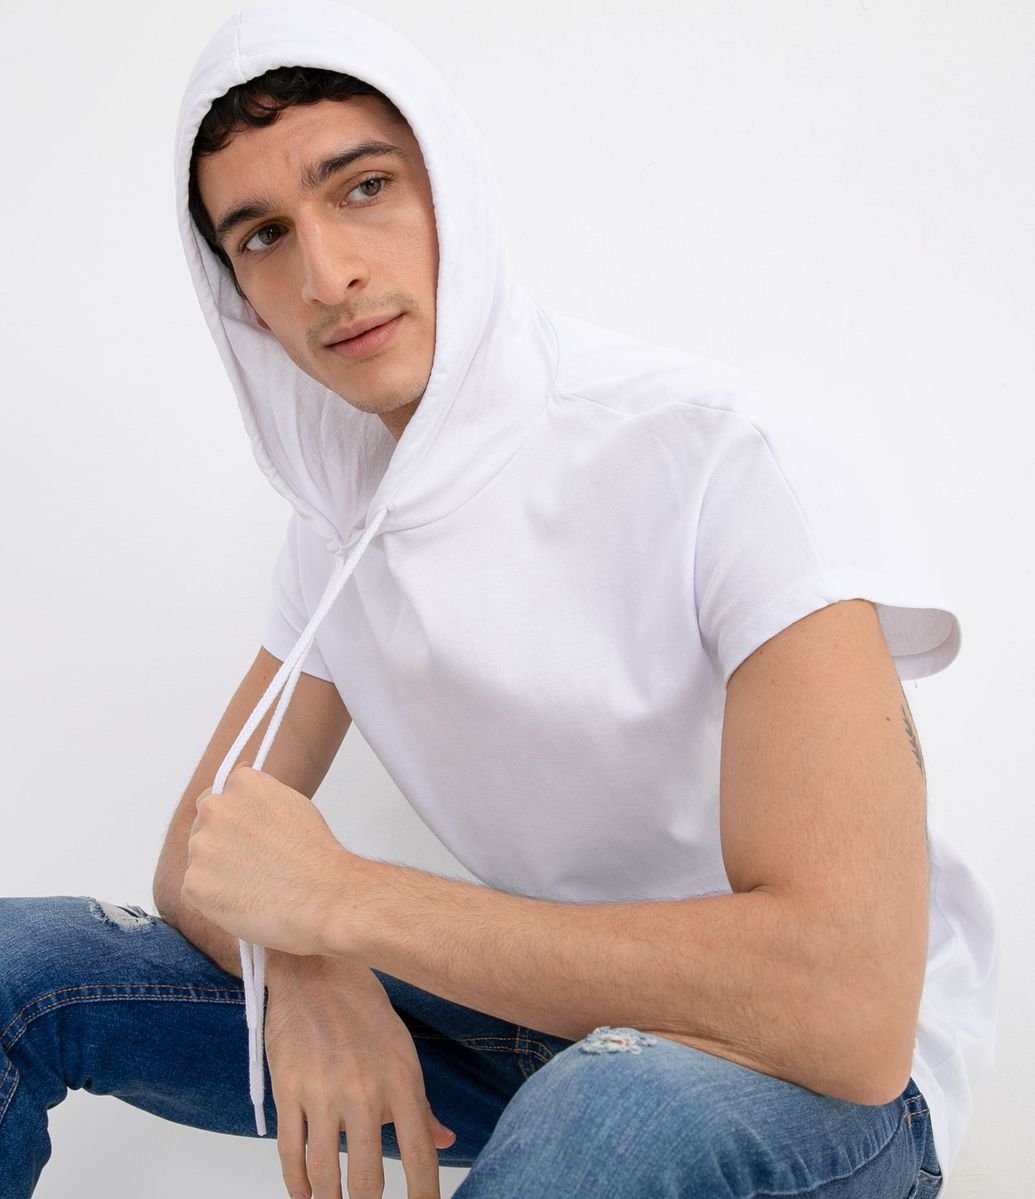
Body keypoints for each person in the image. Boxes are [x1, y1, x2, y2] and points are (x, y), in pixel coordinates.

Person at [0, 2, 999, 1197]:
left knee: (609, 1104)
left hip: (821, 1078)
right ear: (237, 297)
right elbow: (207, 854)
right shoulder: (341, 519)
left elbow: (847, 1008)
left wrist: (345, 901)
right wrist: (311, 964)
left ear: (453, 189)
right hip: (545, 1020)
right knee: (17, 967)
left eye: (364, 187)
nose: (328, 275)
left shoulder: (724, 458)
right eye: (263, 234)